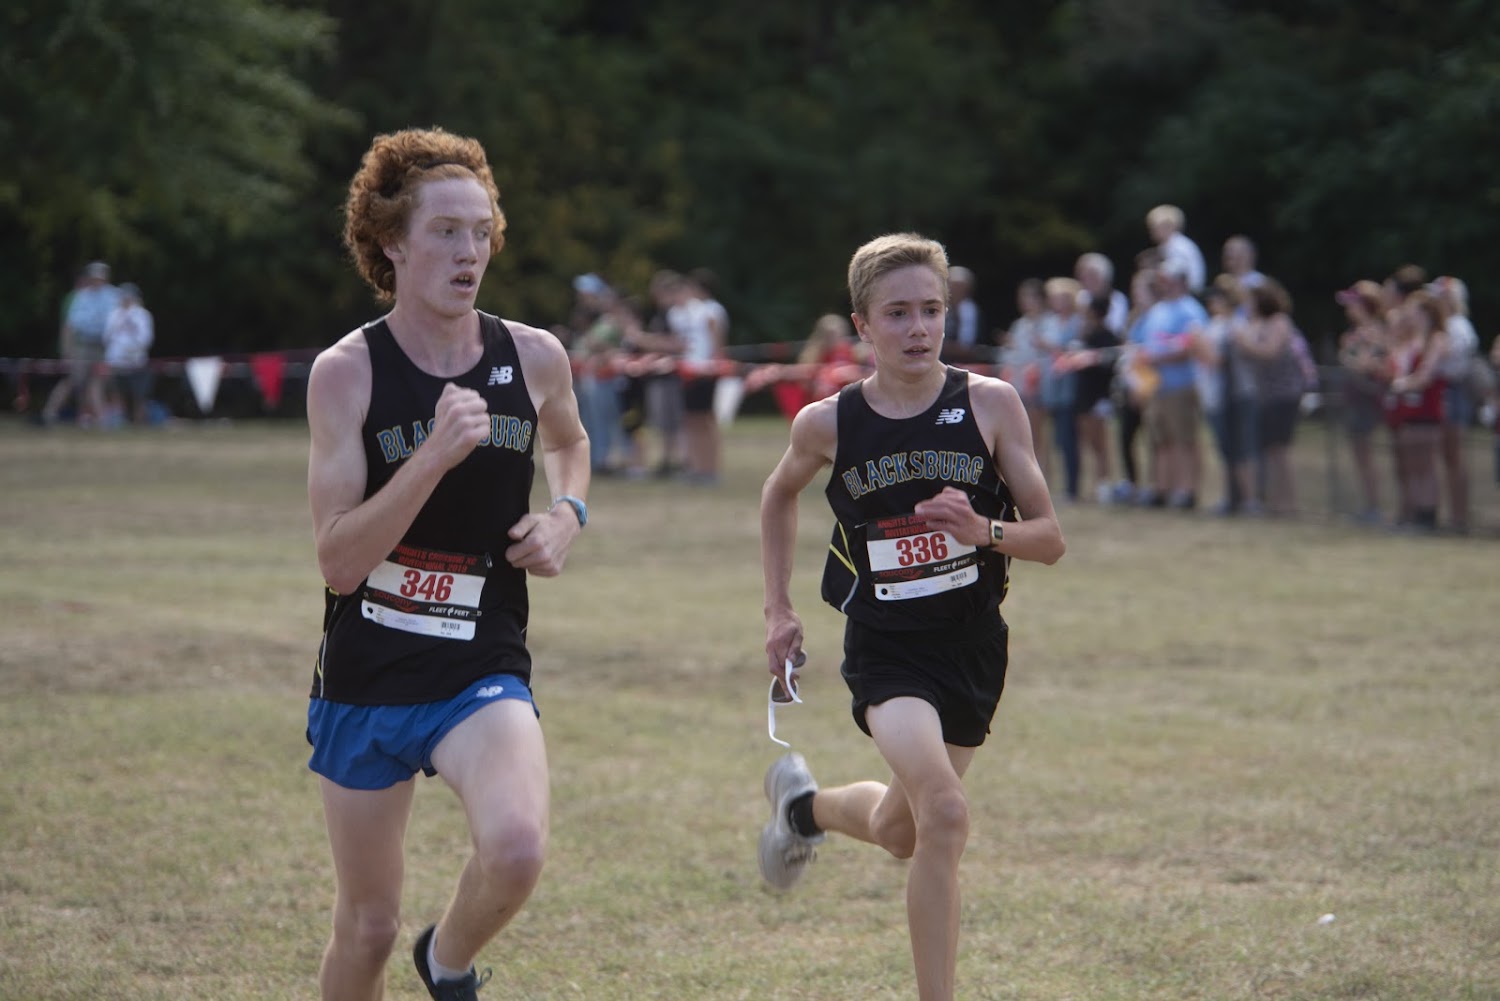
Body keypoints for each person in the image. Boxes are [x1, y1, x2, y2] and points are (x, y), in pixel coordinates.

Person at [303, 127, 590, 1001]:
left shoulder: (533, 356)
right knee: (367, 927)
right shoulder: (346, 373)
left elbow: (569, 443)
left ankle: (449, 960)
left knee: (517, 848)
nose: (471, 250)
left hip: (480, 658)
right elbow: (339, 561)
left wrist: (566, 514)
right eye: (445, 231)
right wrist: (430, 456)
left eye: (481, 230)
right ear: (392, 241)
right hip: (370, 669)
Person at [757, 232, 1065, 1001]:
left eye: (931, 309)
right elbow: (778, 493)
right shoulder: (829, 423)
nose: (919, 328)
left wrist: (983, 530)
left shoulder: (991, 404)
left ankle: (803, 808)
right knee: (947, 812)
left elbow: (1050, 539)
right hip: (887, 649)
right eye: (897, 313)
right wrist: (778, 608)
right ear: (863, 324)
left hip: (972, 646)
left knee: (903, 830)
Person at [1233, 279, 1304, 517]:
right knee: (1272, 450)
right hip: (1266, 395)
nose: (1247, 306)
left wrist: (1245, 344)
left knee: (1281, 449)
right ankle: (1276, 501)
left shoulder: (1279, 322)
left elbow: (1270, 351)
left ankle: (1289, 503)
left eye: (1250, 301)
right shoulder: (1257, 323)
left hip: (1284, 393)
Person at [1335, 280, 1392, 523]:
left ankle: (1375, 507)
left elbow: (1365, 364)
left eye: (1353, 304)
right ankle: (1369, 505)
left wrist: (1353, 357)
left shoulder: (1377, 332)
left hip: (1369, 400)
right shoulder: (1354, 334)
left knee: (1367, 454)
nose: (1349, 309)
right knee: (1360, 454)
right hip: (1355, 399)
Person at [41, 261, 120, 426]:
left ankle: (101, 420)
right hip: (83, 345)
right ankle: (49, 413)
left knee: (98, 381)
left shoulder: (113, 295)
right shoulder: (81, 296)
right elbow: (70, 326)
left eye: (101, 277)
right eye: (95, 277)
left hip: (104, 346)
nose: (97, 280)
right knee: (73, 379)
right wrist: (67, 350)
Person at [102, 282, 155, 426]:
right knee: (117, 393)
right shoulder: (114, 315)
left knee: (139, 394)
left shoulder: (142, 315)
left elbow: (145, 339)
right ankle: (119, 421)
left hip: (136, 361)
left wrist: (129, 349)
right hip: (116, 361)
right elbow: (106, 337)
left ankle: (139, 422)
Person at [1145, 204, 1206, 294]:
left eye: (1154, 228)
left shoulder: (1178, 246)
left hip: (1189, 293)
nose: (1152, 232)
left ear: (1169, 226)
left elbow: (1174, 273)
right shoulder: (1171, 244)